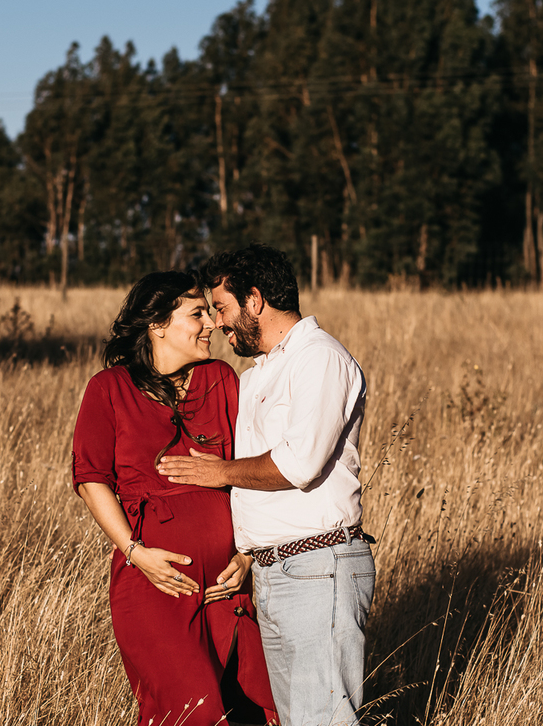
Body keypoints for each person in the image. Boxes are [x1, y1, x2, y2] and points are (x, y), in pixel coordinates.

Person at [159, 244, 373, 726]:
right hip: (277, 573)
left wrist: (218, 472)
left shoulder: (319, 358)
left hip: (319, 567)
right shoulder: (259, 372)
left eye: (222, 307)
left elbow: (301, 463)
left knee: (323, 719)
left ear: (254, 300)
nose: (216, 323)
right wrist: (247, 554)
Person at [72, 270, 278, 726]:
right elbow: (91, 480)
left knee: (261, 706)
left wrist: (246, 557)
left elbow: (247, 473)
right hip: (156, 586)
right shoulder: (109, 389)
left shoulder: (220, 380)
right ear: (157, 324)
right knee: (192, 713)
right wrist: (135, 553)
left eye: (209, 311)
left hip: (228, 587)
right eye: (197, 313)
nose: (211, 324)